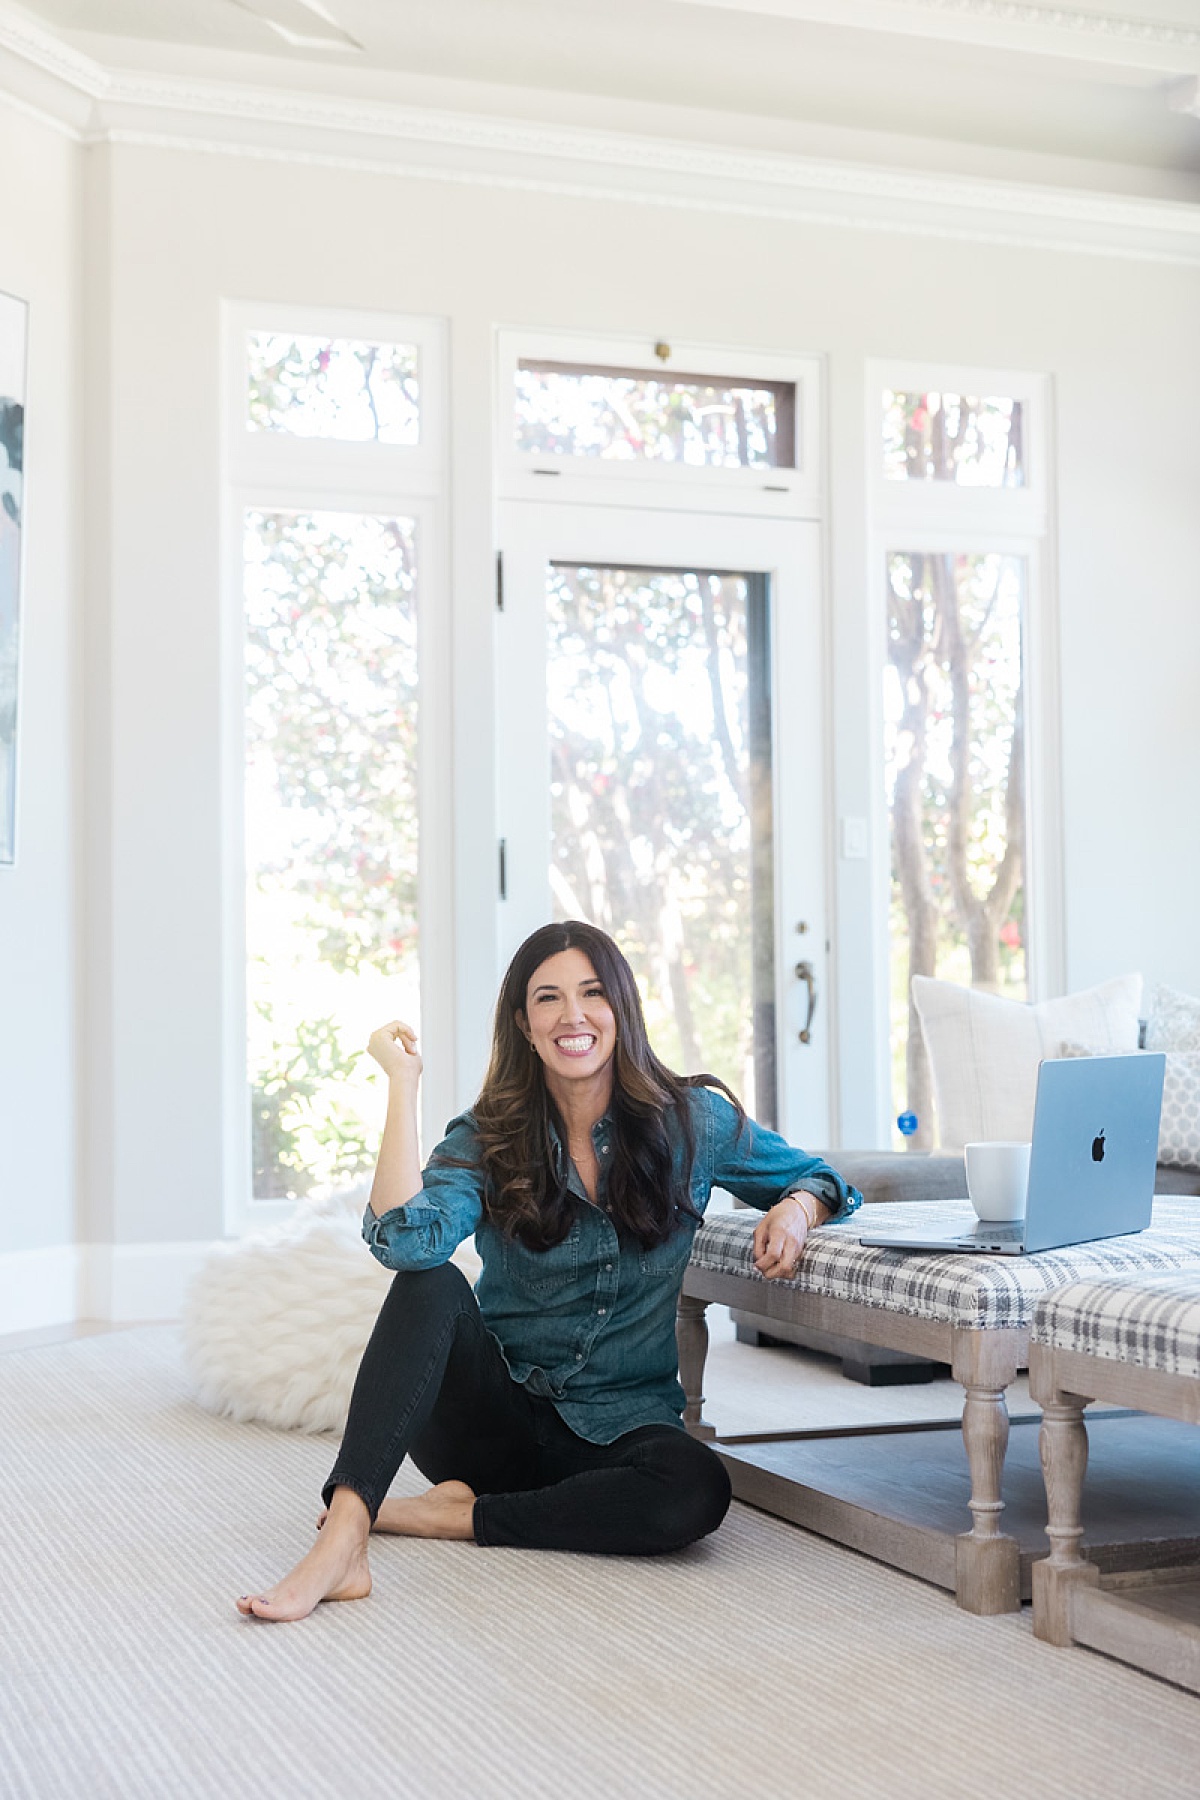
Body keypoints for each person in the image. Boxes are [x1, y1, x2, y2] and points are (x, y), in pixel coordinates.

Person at [237, 920, 861, 1621]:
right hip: (491, 1424)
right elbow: (406, 1245)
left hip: (620, 1429)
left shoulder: (693, 1123)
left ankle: (462, 1518)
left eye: (592, 993)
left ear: (621, 1009)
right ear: (523, 1024)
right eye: (548, 998)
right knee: (431, 1284)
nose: (573, 1016)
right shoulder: (487, 1136)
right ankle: (346, 1536)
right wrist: (402, 1085)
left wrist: (800, 1209)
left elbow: (821, 1175)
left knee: (695, 1491)